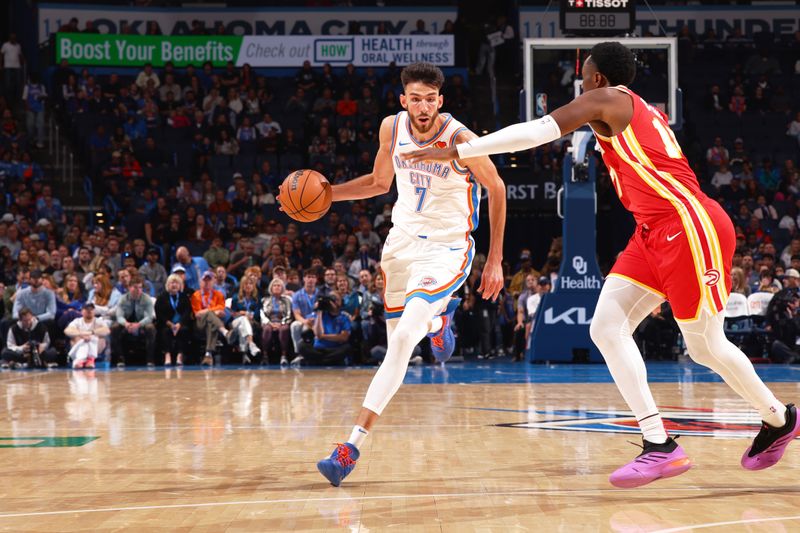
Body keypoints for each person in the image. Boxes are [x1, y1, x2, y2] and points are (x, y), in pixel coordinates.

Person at [403, 41, 799, 488]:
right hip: (652, 231)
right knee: (606, 326)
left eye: (583, 74)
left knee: (704, 347)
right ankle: (659, 444)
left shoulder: (607, 98)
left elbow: (537, 132)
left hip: (689, 225)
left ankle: (780, 419)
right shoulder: (630, 110)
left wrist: (459, 151)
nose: (580, 83)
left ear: (595, 78)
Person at [311, 62, 506, 486]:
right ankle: (439, 320)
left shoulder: (460, 138)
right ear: (404, 100)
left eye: (429, 99)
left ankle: (350, 446)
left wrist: (494, 260)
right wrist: (328, 195)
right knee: (401, 338)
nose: (422, 106)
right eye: (414, 98)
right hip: (400, 246)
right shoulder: (391, 128)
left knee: (401, 342)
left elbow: (497, 187)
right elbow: (380, 183)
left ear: (441, 101)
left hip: (447, 247)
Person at [295, 291, 351, 366]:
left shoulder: (344, 317)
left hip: (334, 349)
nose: (333, 301)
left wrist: (323, 336)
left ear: (341, 302)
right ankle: (327, 361)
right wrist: (319, 311)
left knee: (347, 348)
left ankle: (318, 361)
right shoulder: (319, 315)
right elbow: (317, 334)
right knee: (301, 346)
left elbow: (344, 337)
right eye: (331, 299)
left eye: (336, 299)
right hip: (317, 349)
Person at [111, 276, 157, 367]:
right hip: (127, 321)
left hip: (141, 321)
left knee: (150, 328)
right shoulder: (122, 299)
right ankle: (120, 358)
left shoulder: (147, 298)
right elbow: (119, 316)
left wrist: (139, 324)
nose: (138, 290)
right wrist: (126, 324)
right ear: (129, 288)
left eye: (140, 287)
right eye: (135, 287)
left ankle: (150, 359)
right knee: (114, 327)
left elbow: (149, 317)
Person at [191, 270, 229, 366]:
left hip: (212, 323)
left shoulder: (219, 295)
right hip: (199, 324)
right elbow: (198, 314)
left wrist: (207, 311)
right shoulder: (196, 295)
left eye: (209, 280)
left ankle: (208, 355)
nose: (207, 283)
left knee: (211, 323)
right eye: (205, 280)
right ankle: (225, 331)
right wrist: (211, 311)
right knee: (210, 315)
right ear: (201, 282)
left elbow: (222, 310)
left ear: (214, 282)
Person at [154, 274, 192, 366]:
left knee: (184, 331)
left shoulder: (184, 297)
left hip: (181, 323)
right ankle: (167, 355)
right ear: (168, 285)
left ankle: (180, 355)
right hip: (166, 323)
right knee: (165, 331)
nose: (174, 285)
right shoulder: (162, 297)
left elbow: (187, 312)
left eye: (176, 283)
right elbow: (159, 313)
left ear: (180, 285)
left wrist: (179, 324)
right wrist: (170, 324)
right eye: (172, 283)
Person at [64, 303, 110, 369]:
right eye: (86, 309)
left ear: (94, 311)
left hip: (96, 347)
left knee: (97, 338)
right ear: (82, 311)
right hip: (79, 345)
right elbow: (67, 330)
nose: (89, 311)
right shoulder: (77, 321)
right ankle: (83, 359)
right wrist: (81, 334)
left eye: (91, 309)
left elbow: (107, 330)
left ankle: (88, 359)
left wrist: (91, 333)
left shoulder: (99, 321)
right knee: (78, 339)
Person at [229, 275, 262, 363]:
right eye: (246, 284)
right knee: (243, 319)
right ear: (242, 286)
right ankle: (251, 344)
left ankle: (244, 354)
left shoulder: (257, 299)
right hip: (236, 321)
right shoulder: (236, 298)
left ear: (253, 286)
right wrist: (243, 314)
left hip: (252, 322)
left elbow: (257, 314)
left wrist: (247, 314)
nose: (248, 285)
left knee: (242, 325)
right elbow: (232, 313)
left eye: (250, 283)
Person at [260, 277, 293, 366]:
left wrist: (281, 323)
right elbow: (262, 314)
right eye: (275, 285)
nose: (277, 287)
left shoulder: (287, 300)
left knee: (284, 329)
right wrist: (270, 323)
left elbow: (289, 314)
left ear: (282, 288)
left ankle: (283, 355)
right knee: (267, 329)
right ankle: (265, 355)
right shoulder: (264, 300)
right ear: (271, 288)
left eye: (279, 285)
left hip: (282, 322)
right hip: (269, 322)